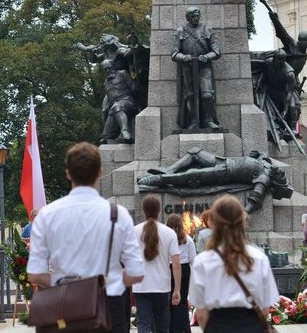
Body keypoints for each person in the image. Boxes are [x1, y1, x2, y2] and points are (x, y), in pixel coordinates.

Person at [28, 142, 145, 333]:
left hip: (63, 306)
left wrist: (66, 284)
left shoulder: (47, 214)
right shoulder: (118, 214)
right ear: (100, 172)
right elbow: (136, 272)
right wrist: (109, 280)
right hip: (108, 305)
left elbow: (35, 274)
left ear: (68, 173)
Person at [188, 195, 279, 333]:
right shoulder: (259, 258)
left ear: (213, 223)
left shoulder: (202, 262)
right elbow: (265, 309)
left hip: (217, 327)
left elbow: (201, 314)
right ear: (242, 221)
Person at [134, 195, 181, 333]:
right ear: (159, 211)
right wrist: (177, 288)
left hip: (141, 285)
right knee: (162, 327)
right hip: (162, 286)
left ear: (143, 211)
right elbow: (176, 263)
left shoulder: (134, 231)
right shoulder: (169, 233)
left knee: (143, 324)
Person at [166, 215, 196, 333]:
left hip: (169, 268)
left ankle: (172, 328)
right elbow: (193, 260)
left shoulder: (165, 239)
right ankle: (184, 328)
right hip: (184, 270)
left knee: (169, 301)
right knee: (182, 301)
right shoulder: (188, 240)